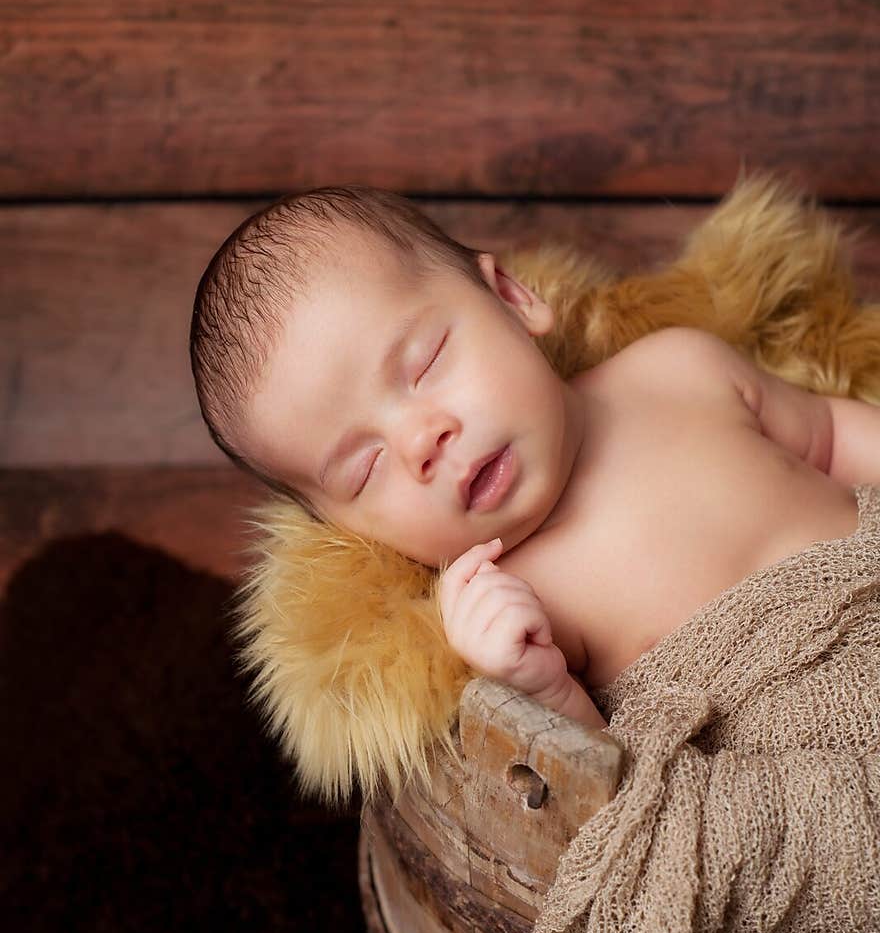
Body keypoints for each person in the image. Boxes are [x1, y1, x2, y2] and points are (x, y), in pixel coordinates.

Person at [190, 185, 880, 731]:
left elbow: (828, 436)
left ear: (513, 298)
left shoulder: (679, 369)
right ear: (347, 530)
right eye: (364, 469)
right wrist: (543, 685)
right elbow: (612, 789)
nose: (420, 442)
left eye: (425, 362)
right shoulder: (520, 603)